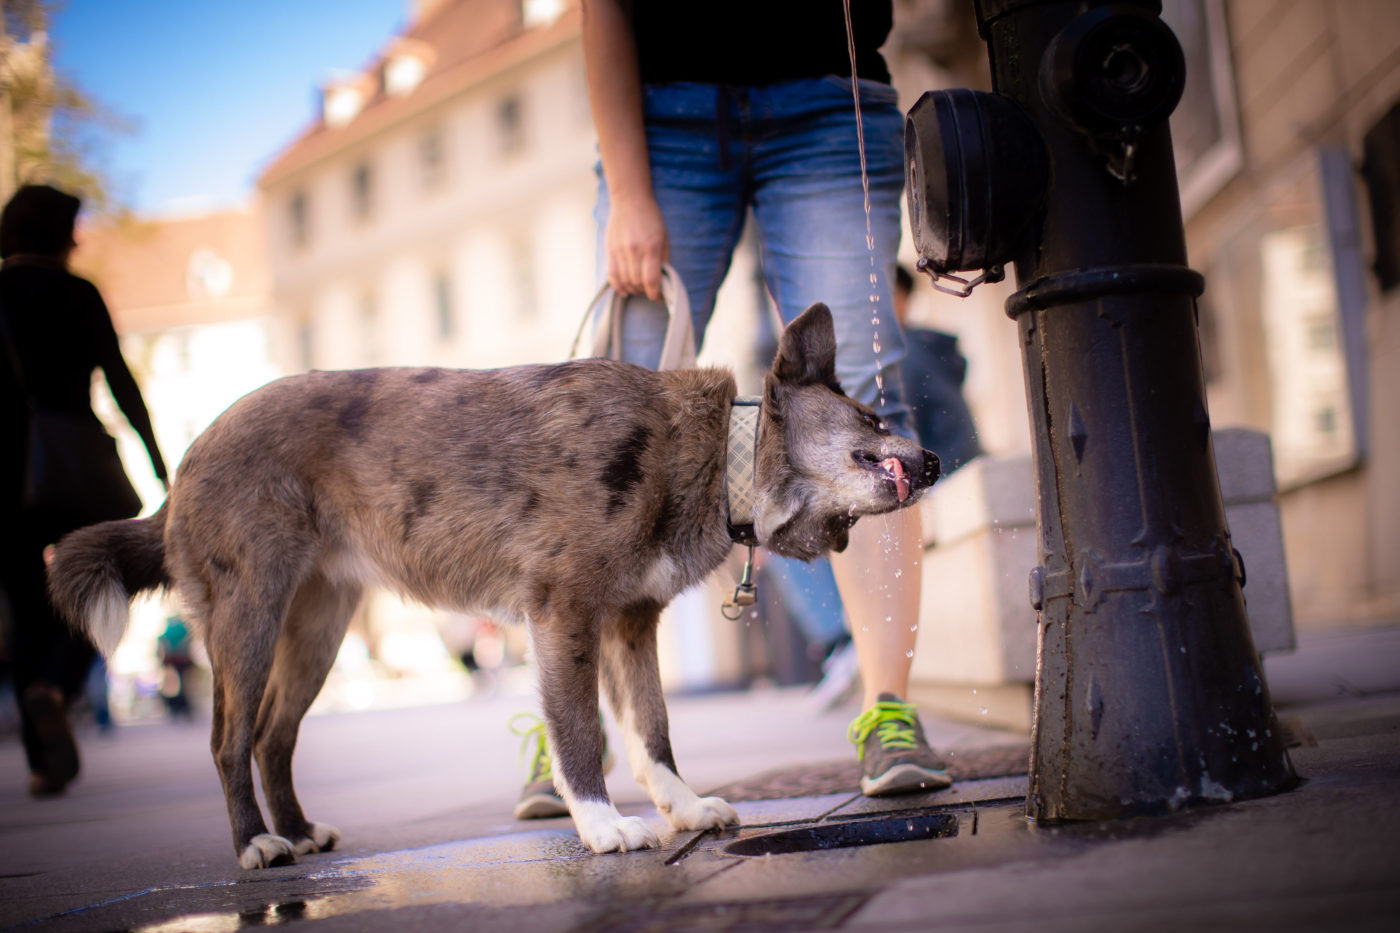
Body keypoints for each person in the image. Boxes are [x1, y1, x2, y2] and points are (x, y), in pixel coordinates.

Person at [512, 0, 950, 814]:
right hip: (667, 122)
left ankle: (888, 710)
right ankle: (573, 722)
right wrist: (631, 192)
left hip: (830, 105)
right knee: (606, 425)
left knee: (870, 393)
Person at [0, 183, 168, 796]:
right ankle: (58, 685)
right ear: (54, 232)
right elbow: (121, 382)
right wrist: (157, 461)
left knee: (23, 609)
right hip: (76, 468)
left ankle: (42, 765)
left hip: (6, 481)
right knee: (100, 580)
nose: (78, 238)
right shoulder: (77, 293)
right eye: (72, 227)